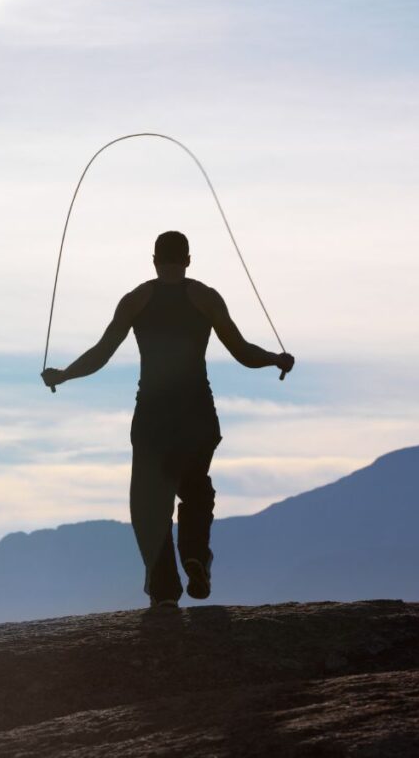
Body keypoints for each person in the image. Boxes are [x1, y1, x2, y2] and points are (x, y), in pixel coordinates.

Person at [41, 231, 294, 609]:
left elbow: (101, 354)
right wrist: (276, 358)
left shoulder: (136, 300)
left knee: (149, 503)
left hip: (153, 416)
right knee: (194, 487)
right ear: (188, 259)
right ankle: (194, 554)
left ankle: (164, 591)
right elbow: (242, 352)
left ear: (154, 260)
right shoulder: (206, 298)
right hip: (197, 413)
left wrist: (63, 375)